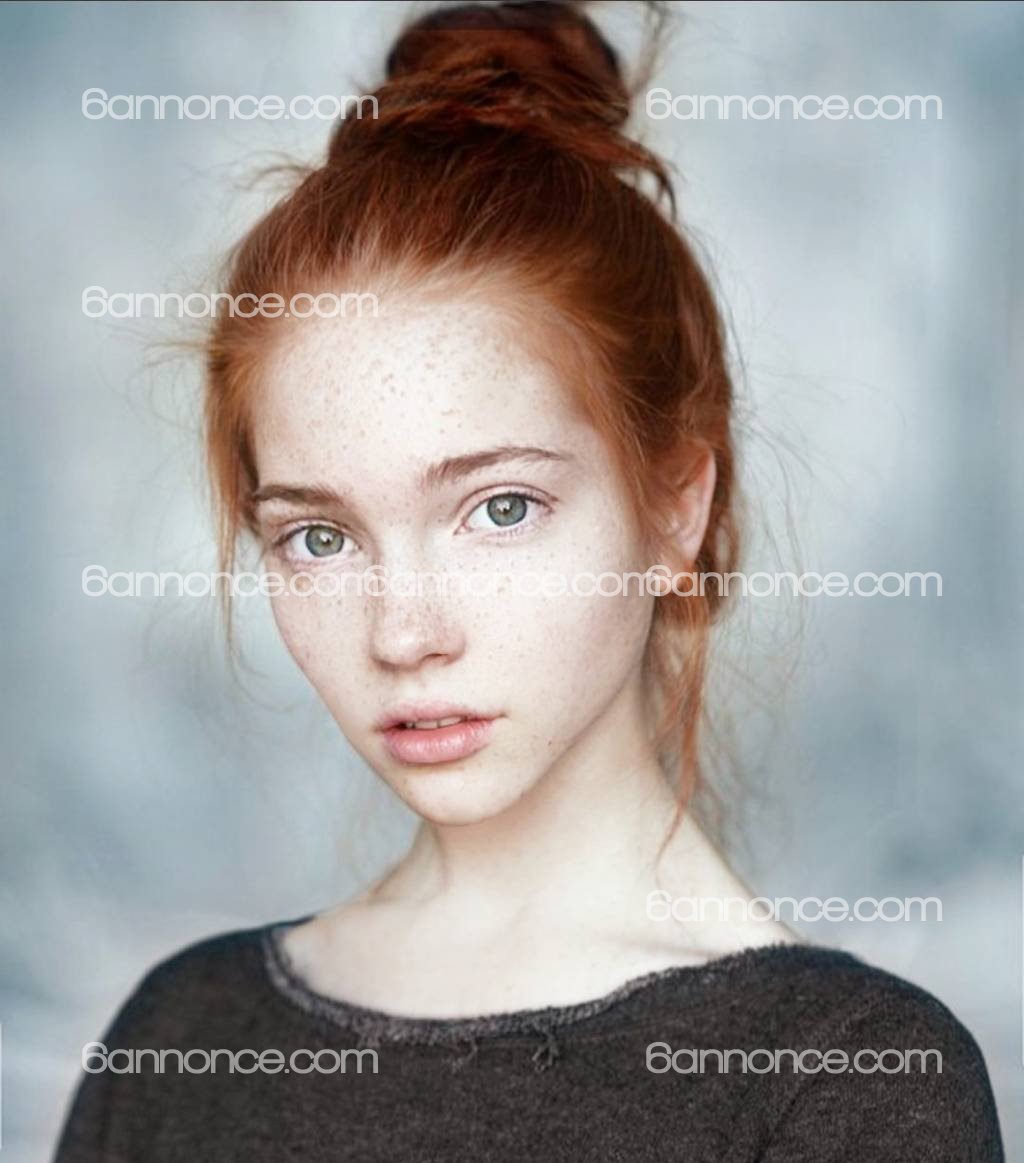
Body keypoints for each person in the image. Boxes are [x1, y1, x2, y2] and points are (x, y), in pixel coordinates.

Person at [54, 2, 1005, 1158]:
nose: (403, 633)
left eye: (500, 507)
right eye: (319, 536)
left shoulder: (841, 1080)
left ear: (675, 505)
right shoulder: (184, 1041)